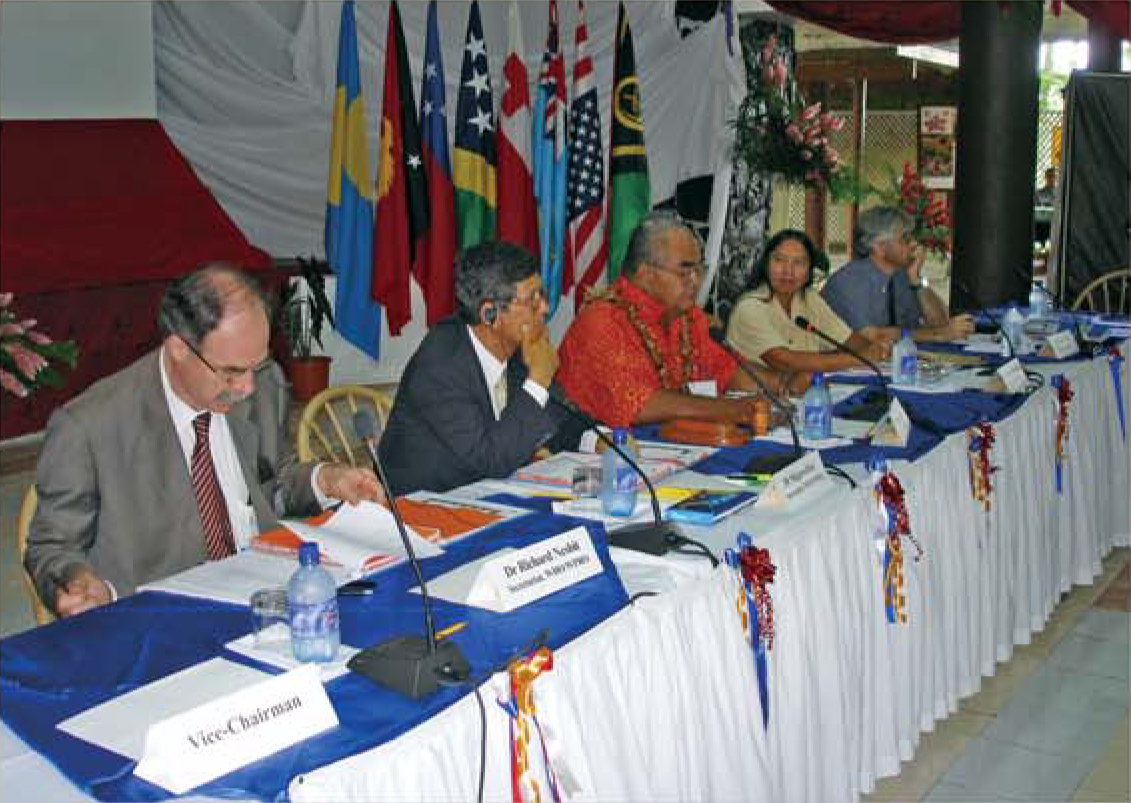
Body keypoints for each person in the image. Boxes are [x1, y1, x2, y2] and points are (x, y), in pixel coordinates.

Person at [26, 264, 386, 618]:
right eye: (231, 372)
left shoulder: (265, 381)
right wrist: (80, 582)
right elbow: (53, 546)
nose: (247, 387)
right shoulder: (90, 427)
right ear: (178, 348)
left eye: (256, 366)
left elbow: (273, 482)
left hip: (265, 598)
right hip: (160, 618)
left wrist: (325, 479)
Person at [556, 211, 807, 429]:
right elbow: (641, 404)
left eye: (699, 269)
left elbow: (726, 370)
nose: (696, 281)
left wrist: (784, 383)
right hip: (605, 456)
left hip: (672, 448)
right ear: (645, 273)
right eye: (685, 271)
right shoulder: (601, 321)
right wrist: (735, 410)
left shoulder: (686, 317)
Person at [379, 242, 579, 496]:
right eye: (532, 300)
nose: (545, 309)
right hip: (420, 505)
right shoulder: (440, 365)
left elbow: (558, 415)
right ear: (489, 314)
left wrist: (598, 440)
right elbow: (490, 460)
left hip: (483, 496)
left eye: (542, 295)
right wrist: (538, 380)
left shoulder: (514, 347)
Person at [727, 229, 894, 374]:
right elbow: (785, 361)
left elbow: (848, 340)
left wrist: (876, 349)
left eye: (798, 263)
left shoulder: (808, 298)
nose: (788, 271)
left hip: (804, 389)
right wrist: (859, 359)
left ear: (808, 272)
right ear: (766, 265)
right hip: (756, 394)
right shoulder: (749, 307)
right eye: (779, 260)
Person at [821, 206, 974, 343]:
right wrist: (938, 335)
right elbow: (873, 337)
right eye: (905, 239)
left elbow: (941, 323)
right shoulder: (848, 282)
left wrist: (917, 280)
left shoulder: (902, 276)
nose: (914, 244)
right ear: (879, 247)